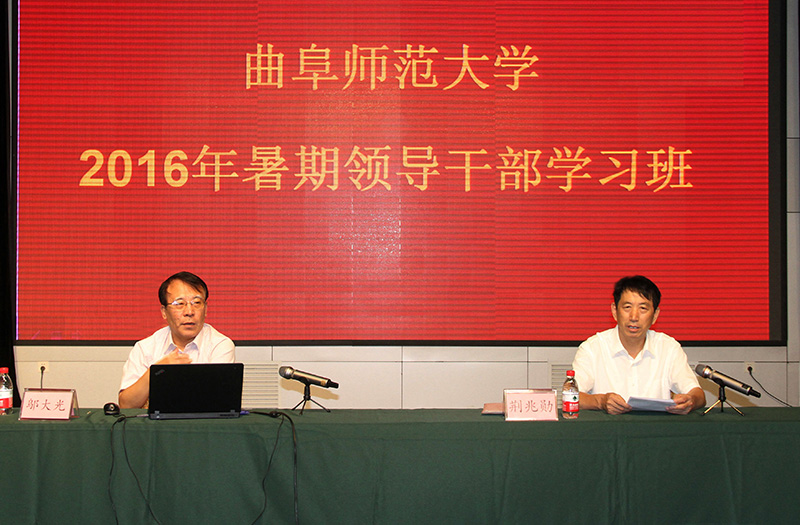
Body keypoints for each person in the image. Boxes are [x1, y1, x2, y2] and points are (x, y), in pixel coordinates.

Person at [572, 275, 705, 415]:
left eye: (643, 308)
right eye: (627, 307)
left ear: (655, 315)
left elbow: (698, 395)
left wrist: (690, 401)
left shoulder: (669, 348)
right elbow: (572, 397)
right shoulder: (592, 348)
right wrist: (601, 401)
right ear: (614, 311)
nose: (634, 317)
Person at [118, 271, 235, 409]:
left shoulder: (220, 346)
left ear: (206, 309)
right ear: (164, 312)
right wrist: (157, 371)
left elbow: (219, 402)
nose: (189, 312)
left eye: (197, 303)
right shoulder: (145, 348)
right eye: (179, 304)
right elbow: (126, 405)